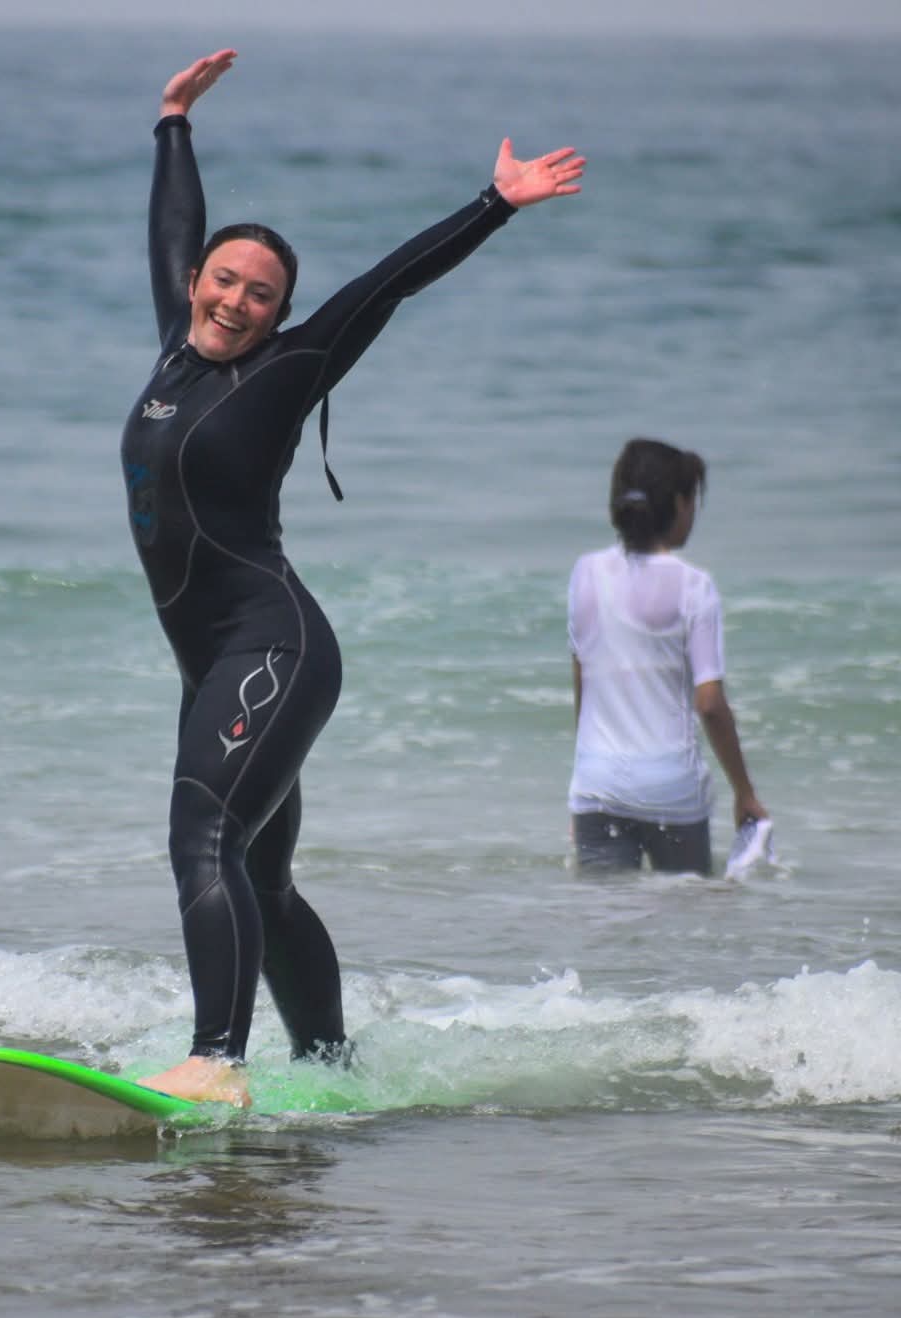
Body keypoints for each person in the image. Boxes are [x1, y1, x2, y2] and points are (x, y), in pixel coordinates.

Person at [121, 49, 584, 1104]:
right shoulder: (174, 354)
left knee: (204, 837)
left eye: (261, 294)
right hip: (216, 665)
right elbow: (173, 229)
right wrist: (173, 121)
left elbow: (387, 284)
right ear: (195, 285)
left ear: (281, 314)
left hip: (272, 648)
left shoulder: (284, 372)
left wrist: (493, 204)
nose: (235, 300)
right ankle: (333, 1077)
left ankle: (215, 1062)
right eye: (223, 281)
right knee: (263, 876)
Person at [566, 438, 769, 877]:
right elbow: (709, 704)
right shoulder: (694, 586)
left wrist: (584, 777)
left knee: (605, 916)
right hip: (671, 791)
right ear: (677, 504)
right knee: (685, 916)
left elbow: (584, 683)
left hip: (598, 787)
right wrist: (744, 791)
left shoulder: (586, 574)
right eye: (692, 499)